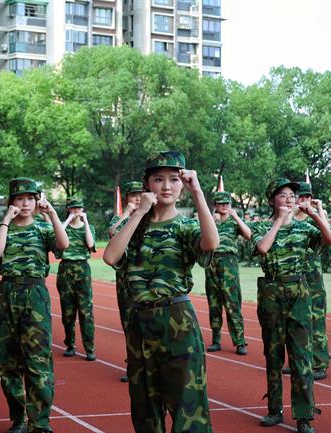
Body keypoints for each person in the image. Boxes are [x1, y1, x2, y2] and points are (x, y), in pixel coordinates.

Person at [103, 151, 219, 433]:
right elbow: (110, 256)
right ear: (147, 184)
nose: (166, 186)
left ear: (183, 184)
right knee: (144, 408)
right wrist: (139, 211)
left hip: (176, 322)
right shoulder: (133, 225)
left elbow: (211, 243)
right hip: (140, 323)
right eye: (158, 179)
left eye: (174, 179)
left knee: (187, 406)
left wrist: (198, 193)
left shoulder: (186, 226)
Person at [0, 177, 69, 433]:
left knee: (37, 361)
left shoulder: (43, 229)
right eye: (19, 199)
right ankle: (19, 418)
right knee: (7, 361)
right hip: (6, 294)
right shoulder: (1, 227)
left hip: (35, 295)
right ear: (11, 202)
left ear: (37, 201)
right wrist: (6, 219)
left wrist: (52, 214)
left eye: (30, 199)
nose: (25, 203)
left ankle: (40, 423)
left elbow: (63, 245)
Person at [253, 179, 331, 433]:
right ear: (271, 200)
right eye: (282, 195)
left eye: (291, 195)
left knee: (301, 357)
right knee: (273, 355)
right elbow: (262, 248)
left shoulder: (304, 228)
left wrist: (315, 214)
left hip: (298, 294)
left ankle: (304, 416)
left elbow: (330, 239)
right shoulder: (261, 227)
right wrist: (279, 221)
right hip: (271, 294)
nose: (289, 199)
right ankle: (274, 410)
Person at [292, 182, 330, 380]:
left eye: (308, 197)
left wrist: (319, 209)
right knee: (296, 321)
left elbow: (328, 235)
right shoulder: (288, 218)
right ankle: (300, 361)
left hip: (313, 277)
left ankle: (320, 363)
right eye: (301, 196)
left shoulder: (315, 218)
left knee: (316, 320)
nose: (304, 200)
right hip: (294, 277)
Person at [205, 190, 250, 355]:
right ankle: (216, 340)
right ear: (215, 205)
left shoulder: (233, 222)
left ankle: (240, 342)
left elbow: (248, 235)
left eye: (227, 203)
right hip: (212, 262)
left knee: (232, 303)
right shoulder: (211, 221)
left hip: (229, 263)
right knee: (214, 304)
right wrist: (211, 219)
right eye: (221, 204)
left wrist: (236, 217)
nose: (224, 206)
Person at [108, 180, 144, 382]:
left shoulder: (150, 217)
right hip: (125, 280)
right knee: (129, 324)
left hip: (145, 280)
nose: (137, 199)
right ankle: (134, 366)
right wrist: (128, 213)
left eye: (140, 194)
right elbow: (113, 232)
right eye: (133, 195)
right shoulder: (120, 219)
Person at [57, 197, 96, 360]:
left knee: (86, 312)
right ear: (68, 209)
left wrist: (85, 222)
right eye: (73, 208)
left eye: (79, 208)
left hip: (82, 269)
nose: (76, 211)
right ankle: (70, 345)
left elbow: (90, 244)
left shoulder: (89, 227)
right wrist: (67, 220)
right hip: (66, 269)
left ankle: (89, 348)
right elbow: (57, 237)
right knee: (68, 311)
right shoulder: (63, 227)